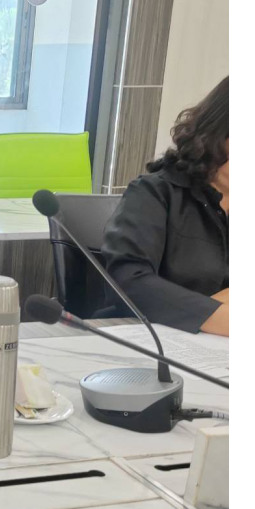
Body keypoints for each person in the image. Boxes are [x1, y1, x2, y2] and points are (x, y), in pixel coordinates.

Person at [100, 76, 229, 335]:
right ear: (216, 133)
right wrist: (215, 315)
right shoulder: (154, 193)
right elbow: (128, 282)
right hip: (148, 340)